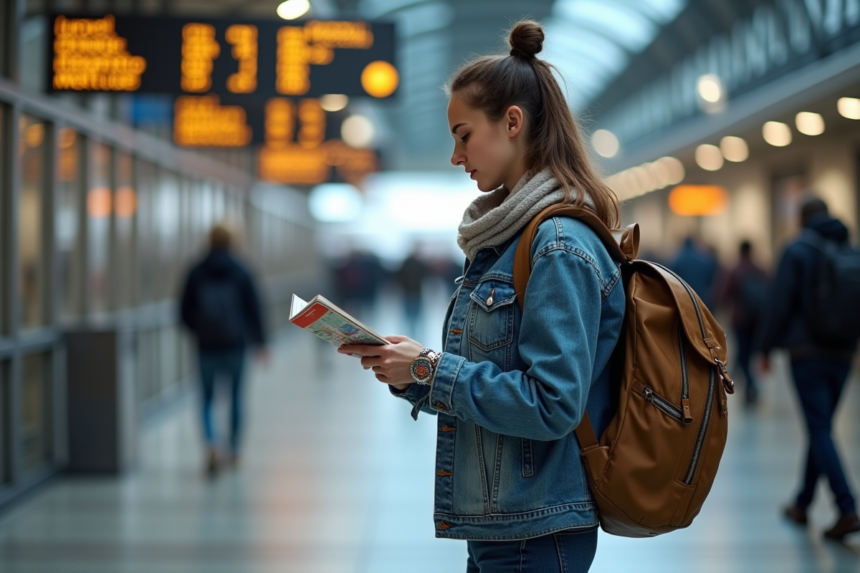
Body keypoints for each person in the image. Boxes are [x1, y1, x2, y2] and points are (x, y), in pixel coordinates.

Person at [339, 21, 624, 572]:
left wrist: (429, 370)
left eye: (463, 134)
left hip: (536, 532)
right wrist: (413, 372)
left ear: (512, 122)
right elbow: (497, 374)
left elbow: (552, 403)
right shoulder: (510, 238)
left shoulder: (557, 242)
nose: (455, 155)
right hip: (510, 525)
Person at [757, 197, 860, 540]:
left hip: (807, 352)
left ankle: (847, 507)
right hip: (844, 353)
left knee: (819, 428)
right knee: (822, 427)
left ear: (802, 219)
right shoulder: (849, 248)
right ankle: (802, 503)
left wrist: (765, 348)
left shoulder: (798, 249)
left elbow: (780, 302)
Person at [179, 223, 269, 476]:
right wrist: (260, 342)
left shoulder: (196, 270)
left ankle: (211, 445)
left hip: (206, 345)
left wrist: (198, 331)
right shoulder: (242, 270)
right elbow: (254, 310)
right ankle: (235, 451)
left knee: (207, 398)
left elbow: (183, 310)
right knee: (236, 398)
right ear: (233, 241)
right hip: (235, 345)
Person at [717, 241, 768, 405]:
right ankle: (748, 386)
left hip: (740, 319)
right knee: (749, 353)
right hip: (757, 319)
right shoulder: (760, 270)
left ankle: (750, 385)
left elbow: (723, 293)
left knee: (743, 352)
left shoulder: (735, 270)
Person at [669, 236, 719, 309]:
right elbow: (713, 279)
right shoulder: (704, 260)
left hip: (684, 300)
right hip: (703, 299)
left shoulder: (677, 261)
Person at [394, 248, 431, 338]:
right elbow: (427, 274)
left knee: (408, 315)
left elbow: (398, 276)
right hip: (417, 292)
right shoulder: (419, 264)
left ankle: (408, 333)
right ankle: (417, 334)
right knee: (417, 315)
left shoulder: (405, 263)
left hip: (407, 292)